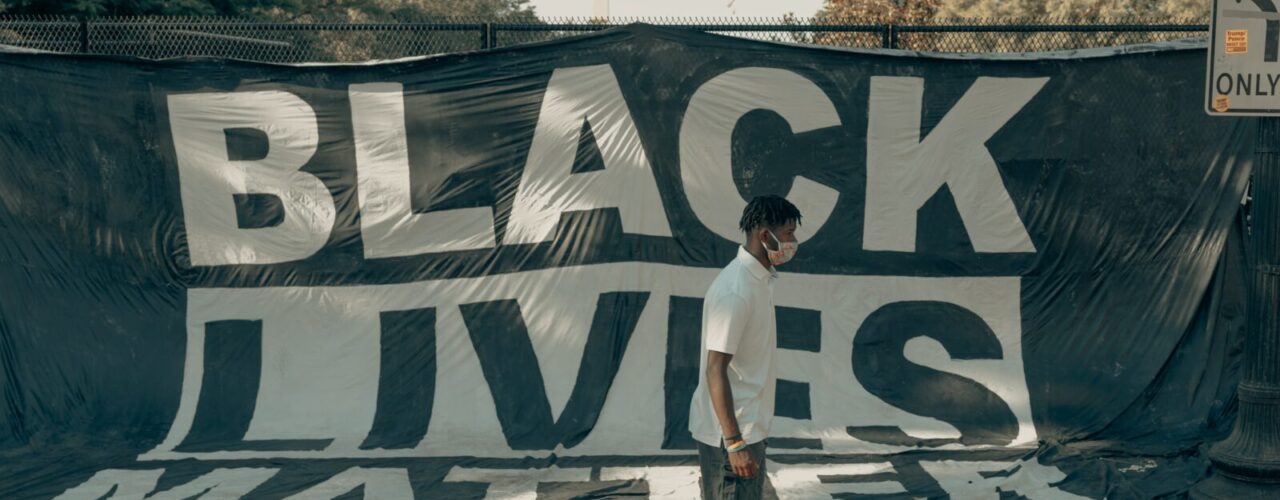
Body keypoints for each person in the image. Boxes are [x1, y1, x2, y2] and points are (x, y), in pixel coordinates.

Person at [688, 194, 801, 499]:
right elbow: (715, 370)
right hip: (732, 436)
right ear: (765, 235)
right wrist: (735, 443)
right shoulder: (736, 291)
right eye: (789, 233)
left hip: (748, 429)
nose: (793, 241)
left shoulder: (758, 281)